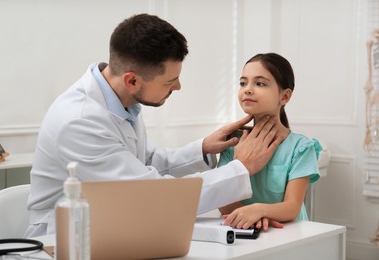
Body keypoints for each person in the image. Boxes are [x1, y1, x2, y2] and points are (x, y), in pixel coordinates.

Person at [25, 14, 283, 237]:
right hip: (62, 238)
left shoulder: (121, 98)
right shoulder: (79, 121)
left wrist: (202, 149)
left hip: (112, 221)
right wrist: (241, 167)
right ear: (133, 81)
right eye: (170, 81)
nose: (178, 87)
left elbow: (143, 161)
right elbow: (151, 195)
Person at [219, 53, 322, 231]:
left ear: (285, 97)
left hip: (289, 234)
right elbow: (223, 200)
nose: (247, 89)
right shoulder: (232, 142)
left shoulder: (301, 147)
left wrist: (258, 211)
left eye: (260, 83)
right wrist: (252, 218)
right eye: (243, 83)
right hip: (247, 231)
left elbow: (292, 207)